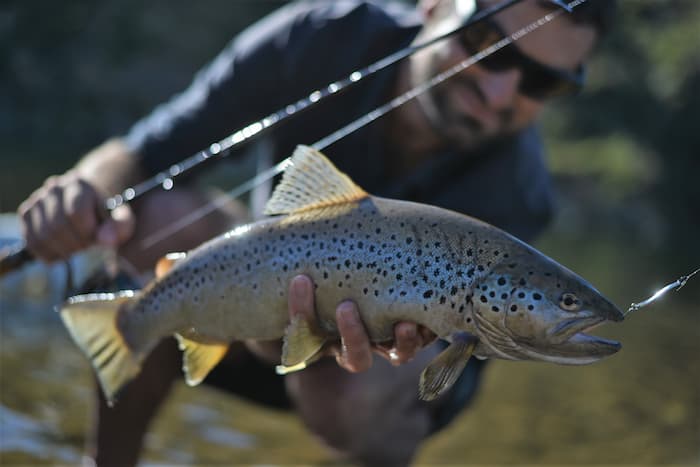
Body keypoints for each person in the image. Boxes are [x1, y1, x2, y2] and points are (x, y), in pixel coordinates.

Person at [18, 0, 615, 465]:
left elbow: (448, 369)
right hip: (245, 301)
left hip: (363, 384)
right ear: (436, 6)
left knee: (360, 399)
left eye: (543, 82)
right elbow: (143, 153)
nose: (499, 91)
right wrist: (82, 190)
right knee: (151, 217)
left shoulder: (521, 193)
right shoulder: (321, 36)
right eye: (489, 44)